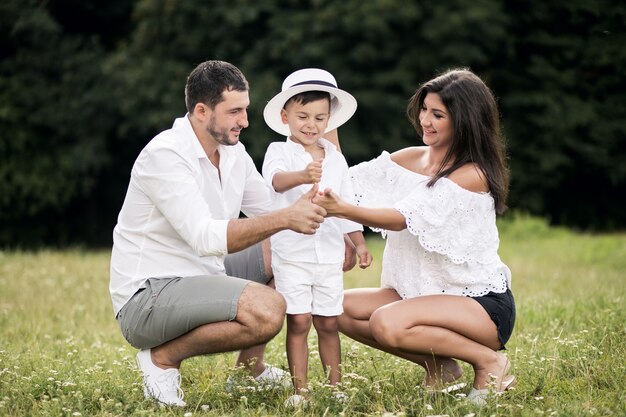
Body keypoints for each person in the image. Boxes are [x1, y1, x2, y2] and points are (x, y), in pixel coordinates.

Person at [109, 60, 329, 407]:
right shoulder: (165, 155)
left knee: (281, 250)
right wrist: (287, 218)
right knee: (268, 309)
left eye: (246, 109)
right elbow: (205, 238)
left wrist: (341, 230)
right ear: (201, 111)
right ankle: (161, 359)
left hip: (203, 276)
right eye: (235, 111)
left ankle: (249, 370)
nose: (245, 121)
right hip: (148, 297)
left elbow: (270, 211)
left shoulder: (233, 153)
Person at [315, 68, 516, 406]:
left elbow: (399, 218)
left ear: (464, 121)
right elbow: (346, 184)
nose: (426, 120)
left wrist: (343, 211)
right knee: (331, 309)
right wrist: (328, 127)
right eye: (425, 109)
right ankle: (440, 367)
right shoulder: (410, 158)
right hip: (416, 295)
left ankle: (490, 362)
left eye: (438, 114)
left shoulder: (472, 175)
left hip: (479, 304)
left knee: (386, 322)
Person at [261, 68, 372, 406]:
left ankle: (335, 389)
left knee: (327, 321)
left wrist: (359, 242)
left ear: (329, 120)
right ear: (285, 116)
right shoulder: (278, 152)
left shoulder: (335, 159)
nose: (311, 124)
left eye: (319, 118)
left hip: (327, 256)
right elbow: (276, 182)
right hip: (292, 253)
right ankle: (300, 392)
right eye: (302, 116)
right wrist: (302, 175)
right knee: (299, 321)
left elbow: (345, 205)